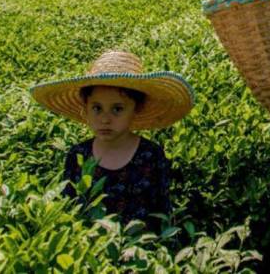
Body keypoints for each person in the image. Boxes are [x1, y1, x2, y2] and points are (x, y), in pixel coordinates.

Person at [30, 48, 194, 227]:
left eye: (117, 109)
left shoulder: (151, 155)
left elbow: (161, 211)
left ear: (136, 108)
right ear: (86, 109)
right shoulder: (78, 155)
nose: (105, 119)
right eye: (97, 108)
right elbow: (68, 210)